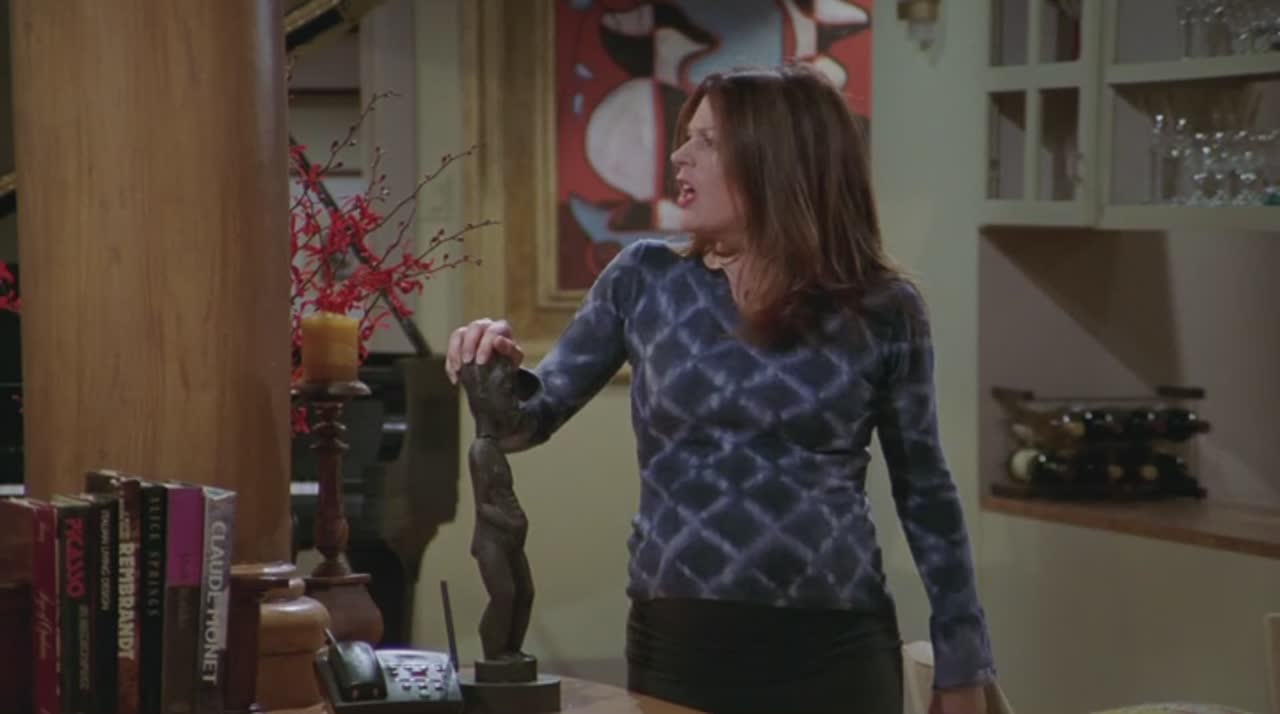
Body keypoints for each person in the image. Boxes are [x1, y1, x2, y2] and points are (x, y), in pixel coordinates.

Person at [446, 63, 996, 714]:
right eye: (686, 136)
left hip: (837, 650)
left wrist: (963, 660)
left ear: (775, 158)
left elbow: (925, 490)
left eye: (707, 141)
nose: (679, 155)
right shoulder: (644, 278)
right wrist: (489, 363)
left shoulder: (881, 306)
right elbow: (523, 422)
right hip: (680, 651)